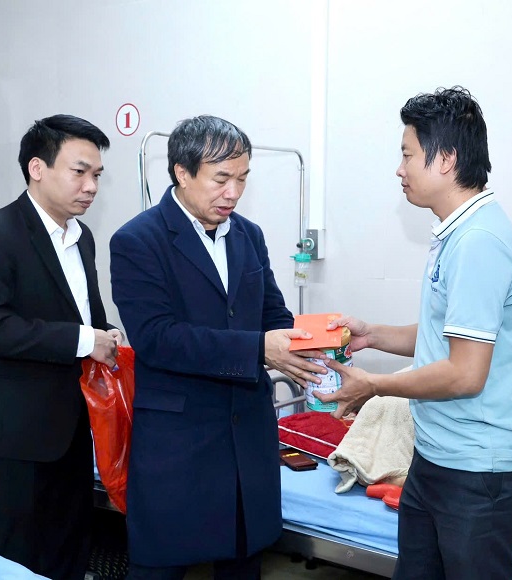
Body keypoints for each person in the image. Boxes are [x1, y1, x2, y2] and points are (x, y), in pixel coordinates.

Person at [317, 87, 512, 579]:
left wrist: (374, 385)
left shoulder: (478, 242)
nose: (399, 169)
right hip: (438, 459)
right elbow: (451, 336)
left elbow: (465, 373)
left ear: (445, 159)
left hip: (479, 472)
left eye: (407, 155)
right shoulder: (458, 232)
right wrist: (372, 335)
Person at [110, 114, 326, 579]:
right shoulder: (138, 240)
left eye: (243, 178)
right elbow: (156, 338)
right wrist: (258, 350)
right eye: (222, 178)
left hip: (247, 436)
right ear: (182, 172)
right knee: (160, 567)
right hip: (179, 441)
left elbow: (273, 315)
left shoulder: (248, 235)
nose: (233, 192)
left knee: (244, 563)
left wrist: (316, 344)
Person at [0, 114, 122, 580]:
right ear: (37, 168)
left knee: (71, 546)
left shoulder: (82, 238)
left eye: (97, 175)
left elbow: (86, 316)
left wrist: (107, 334)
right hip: (13, 433)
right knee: (18, 557)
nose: (91, 186)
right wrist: (85, 340)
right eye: (80, 172)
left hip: (72, 426)